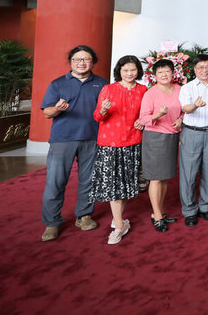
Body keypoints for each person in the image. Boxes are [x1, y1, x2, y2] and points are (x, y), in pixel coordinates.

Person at [39, 45, 109, 242]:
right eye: (77, 59)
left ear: (92, 62)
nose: (81, 62)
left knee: (89, 181)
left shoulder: (102, 84)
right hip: (63, 139)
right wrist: (58, 109)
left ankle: (84, 216)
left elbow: (106, 112)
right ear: (71, 62)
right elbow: (47, 113)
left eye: (86, 59)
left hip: (93, 138)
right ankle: (52, 223)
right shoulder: (58, 84)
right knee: (55, 182)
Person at [89, 55, 146, 245]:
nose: (129, 73)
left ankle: (119, 218)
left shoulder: (143, 90)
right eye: (125, 70)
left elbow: (146, 115)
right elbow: (97, 116)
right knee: (114, 185)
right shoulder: (108, 89)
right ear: (119, 71)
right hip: (110, 143)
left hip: (133, 141)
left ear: (138, 71)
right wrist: (104, 110)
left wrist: (143, 122)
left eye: (133, 70)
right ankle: (120, 226)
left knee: (126, 183)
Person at [138, 59, 183, 232]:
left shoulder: (179, 89)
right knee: (156, 178)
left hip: (172, 137)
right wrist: (158, 114)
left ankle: (161, 211)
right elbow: (143, 119)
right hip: (155, 138)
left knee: (164, 178)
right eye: (160, 72)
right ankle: (156, 215)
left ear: (173, 73)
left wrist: (181, 119)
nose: (164, 75)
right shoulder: (151, 93)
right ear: (154, 75)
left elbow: (185, 110)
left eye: (167, 71)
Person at [178, 54, 208, 227]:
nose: (204, 70)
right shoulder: (188, 88)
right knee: (188, 173)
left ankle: (205, 207)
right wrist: (195, 105)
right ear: (194, 70)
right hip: (192, 133)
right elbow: (186, 109)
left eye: (207, 67)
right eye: (200, 67)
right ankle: (189, 210)